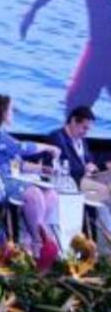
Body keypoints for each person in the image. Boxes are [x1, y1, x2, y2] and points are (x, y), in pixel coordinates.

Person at [0, 94, 61, 251]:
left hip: (8, 179)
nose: (13, 113)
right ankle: (39, 241)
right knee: (33, 193)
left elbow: (17, 164)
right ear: (1, 111)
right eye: (11, 109)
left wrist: (42, 169)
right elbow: (19, 148)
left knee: (50, 194)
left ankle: (31, 238)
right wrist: (48, 147)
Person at [51, 105, 111, 245]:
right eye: (84, 128)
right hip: (71, 184)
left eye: (88, 129)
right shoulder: (57, 138)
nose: (86, 132)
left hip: (87, 182)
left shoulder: (81, 140)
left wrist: (97, 168)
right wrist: (85, 169)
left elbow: (89, 162)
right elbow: (61, 167)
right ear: (73, 121)